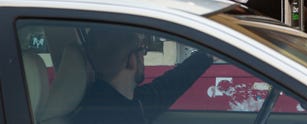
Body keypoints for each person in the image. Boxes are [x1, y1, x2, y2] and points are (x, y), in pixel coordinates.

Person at [73, 28, 212, 124]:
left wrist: (207, 56)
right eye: (142, 50)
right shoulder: (116, 115)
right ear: (132, 60)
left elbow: (167, 87)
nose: (144, 56)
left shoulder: (110, 102)